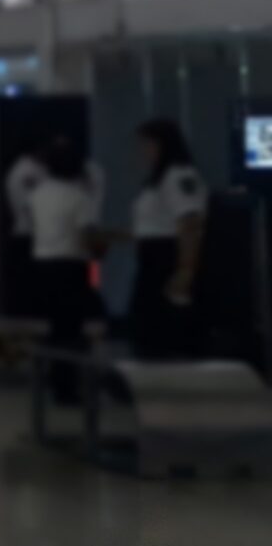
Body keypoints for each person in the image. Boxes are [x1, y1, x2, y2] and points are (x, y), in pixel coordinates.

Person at [108, 119, 208, 360]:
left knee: (164, 326)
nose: (143, 151)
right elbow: (147, 227)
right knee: (145, 324)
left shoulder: (179, 176)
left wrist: (185, 269)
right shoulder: (155, 182)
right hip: (150, 256)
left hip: (168, 257)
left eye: (146, 144)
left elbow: (189, 223)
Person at [20, 141, 103, 402]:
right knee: (70, 330)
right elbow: (87, 237)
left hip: (41, 265)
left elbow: (34, 227)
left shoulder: (38, 194)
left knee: (56, 328)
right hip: (70, 267)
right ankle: (66, 388)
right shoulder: (80, 197)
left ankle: (54, 382)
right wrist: (100, 251)